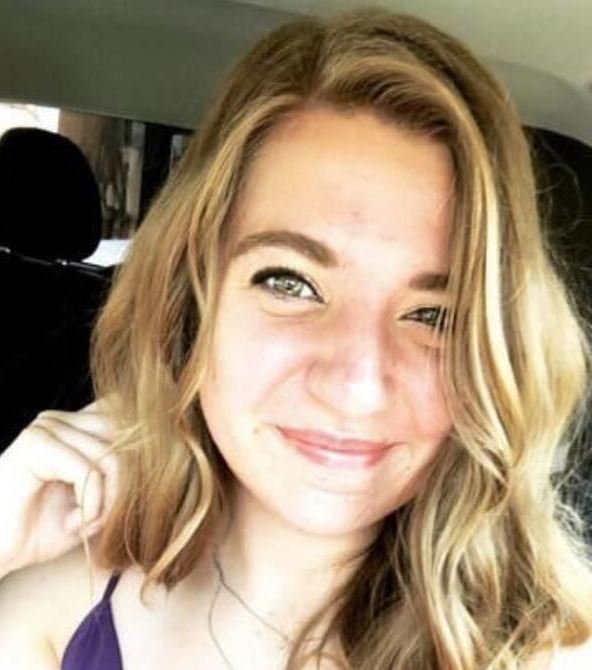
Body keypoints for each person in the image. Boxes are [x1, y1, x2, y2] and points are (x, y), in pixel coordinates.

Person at [1, 7, 592, 670]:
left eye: (435, 316)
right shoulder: (52, 606)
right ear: (190, 304)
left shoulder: (553, 652)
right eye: (290, 282)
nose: (358, 387)